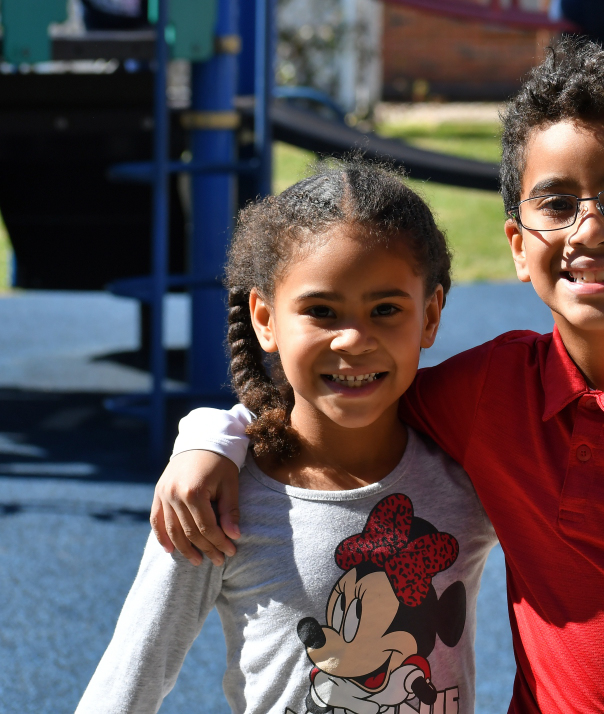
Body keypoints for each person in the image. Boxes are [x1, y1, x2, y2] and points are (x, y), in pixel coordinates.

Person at [151, 38, 604, 713]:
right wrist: (211, 436)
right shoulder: (491, 391)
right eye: (557, 203)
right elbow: (346, 392)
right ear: (518, 246)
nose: (589, 229)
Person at [77, 163, 498, 713]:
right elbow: (129, 679)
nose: (353, 339)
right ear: (265, 318)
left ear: (430, 315)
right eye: (321, 311)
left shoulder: (471, 475)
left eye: (386, 310)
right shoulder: (215, 502)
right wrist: (207, 436)